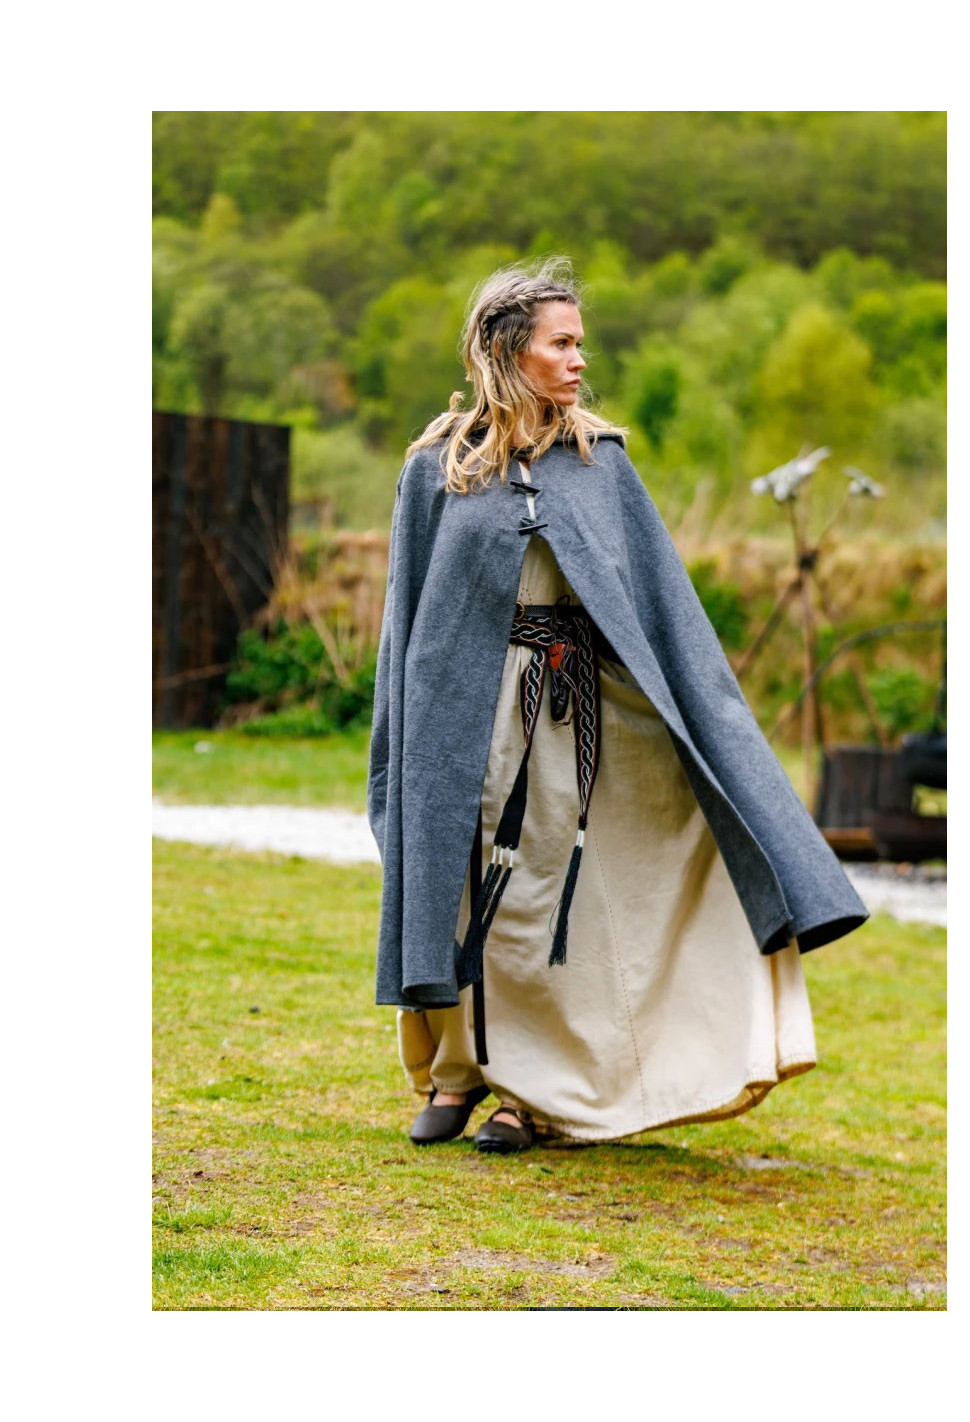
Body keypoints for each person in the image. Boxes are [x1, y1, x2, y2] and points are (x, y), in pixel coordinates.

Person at [368, 257, 868, 1155]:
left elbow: (660, 614)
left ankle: (532, 1094)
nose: (578, 361)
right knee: (461, 886)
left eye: (579, 344)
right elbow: (407, 622)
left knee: (539, 896)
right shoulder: (435, 468)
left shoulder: (600, 464)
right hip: (465, 723)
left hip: (571, 722)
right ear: (506, 349)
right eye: (561, 344)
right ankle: (457, 1071)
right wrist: (402, 746)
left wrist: (699, 732)